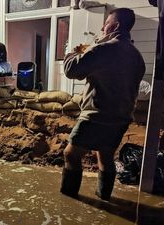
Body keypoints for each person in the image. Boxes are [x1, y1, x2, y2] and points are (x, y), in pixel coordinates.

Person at [60, 8, 145, 201]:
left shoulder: (103, 49)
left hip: (96, 116)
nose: (102, 27)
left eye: (105, 24)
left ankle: (68, 200)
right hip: (121, 118)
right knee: (105, 156)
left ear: (114, 26)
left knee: (71, 155)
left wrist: (73, 53)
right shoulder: (137, 56)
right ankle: (103, 197)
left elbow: (71, 70)